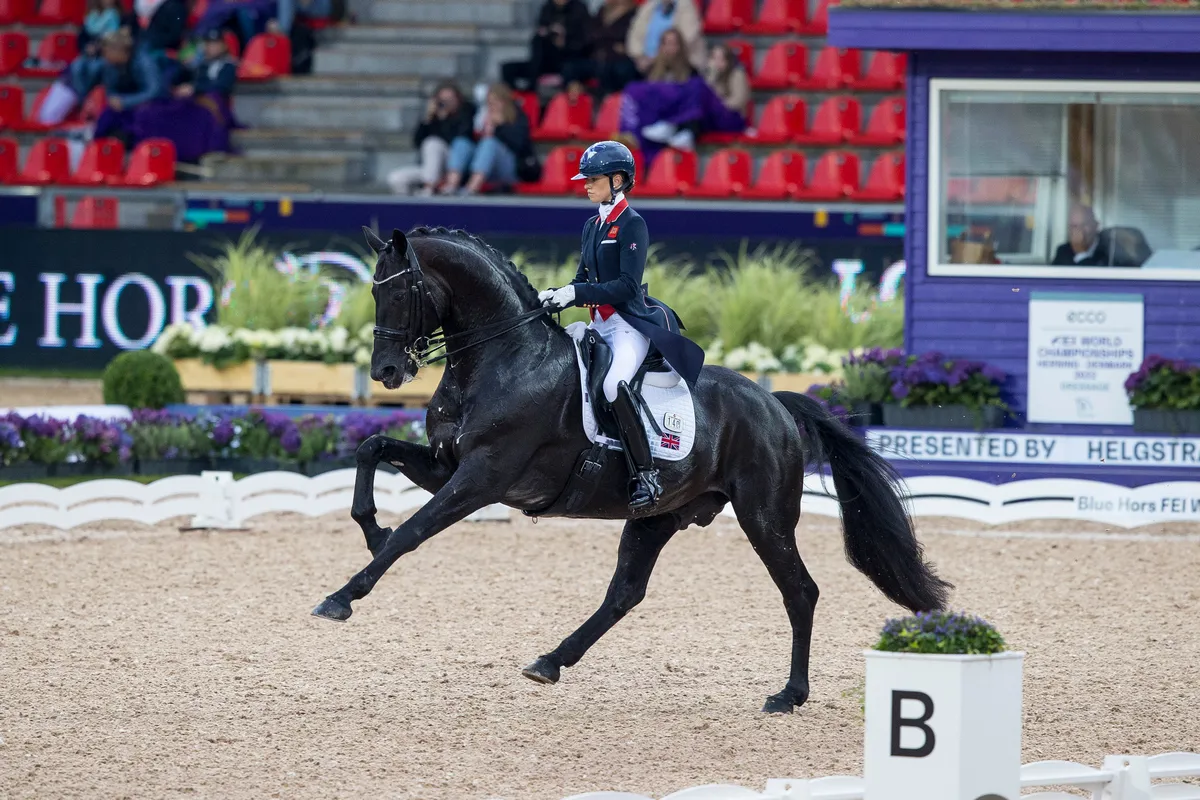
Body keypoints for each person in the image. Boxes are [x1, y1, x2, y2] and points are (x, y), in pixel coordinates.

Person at [537, 141, 704, 511]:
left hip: (628, 324)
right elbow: (582, 275)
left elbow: (627, 286)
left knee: (615, 383)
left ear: (617, 180)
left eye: (593, 179)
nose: (585, 184)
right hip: (597, 323)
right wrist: (558, 294)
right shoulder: (592, 224)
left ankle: (645, 474)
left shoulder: (632, 224)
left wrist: (574, 292)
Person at [619, 30, 746, 158]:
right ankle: (676, 130)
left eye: (721, 58)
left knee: (696, 89)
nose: (717, 62)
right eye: (714, 58)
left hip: (726, 117)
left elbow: (735, 102)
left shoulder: (736, 74)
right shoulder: (654, 70)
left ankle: (677, 127)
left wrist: (713, 97)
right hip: (702, 115)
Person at [438, 83, 539, 195]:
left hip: (509, 168)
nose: (493, 106)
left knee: (490, 144)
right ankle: (452, 185)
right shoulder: (480, 115)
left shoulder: (517, 116)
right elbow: (466, 136)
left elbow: (519, 145)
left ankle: (472, 189)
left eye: (496, 102)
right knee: (461, 143)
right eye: (490, 103)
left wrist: (499, 127)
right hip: (481, 166)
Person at [387, 81, 475, 196]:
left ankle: (428, 190)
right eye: (443, 100)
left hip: (455, 165)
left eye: (450, 99)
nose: (447, 103)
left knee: (433, 143)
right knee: (396, 179)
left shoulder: (466, 113)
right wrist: (427, 119)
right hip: (432, 168)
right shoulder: (433, 118)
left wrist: (444, 120)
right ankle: (414, 207)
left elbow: (457, 139)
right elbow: (418, 142)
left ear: (458, 99)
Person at [501, 0, 591, 92]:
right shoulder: (547, 8)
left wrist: (564, 39)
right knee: (508, 68)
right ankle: (515, 96)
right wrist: (549, 31)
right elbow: (542, 29)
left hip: (569, 58)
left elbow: (584, 41)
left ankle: (533, 84)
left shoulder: (579, 10)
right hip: (545, 59)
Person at [560, 0, 640, 96]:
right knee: (570, 67)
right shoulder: (603, 10)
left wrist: (605, 38)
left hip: (617, 59)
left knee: (620, 71)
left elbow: (629, 38)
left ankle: (609, 100)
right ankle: (577, 93)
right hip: (596, 57)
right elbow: (591, 33)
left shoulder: (636, 13)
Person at [625, 0, 705, 76]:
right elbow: (634, 36)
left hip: (677, 60)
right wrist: (639, 56)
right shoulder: (648, 6)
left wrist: (656, 59)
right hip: (645, 62)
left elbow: (687, 39)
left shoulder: (686, 6)